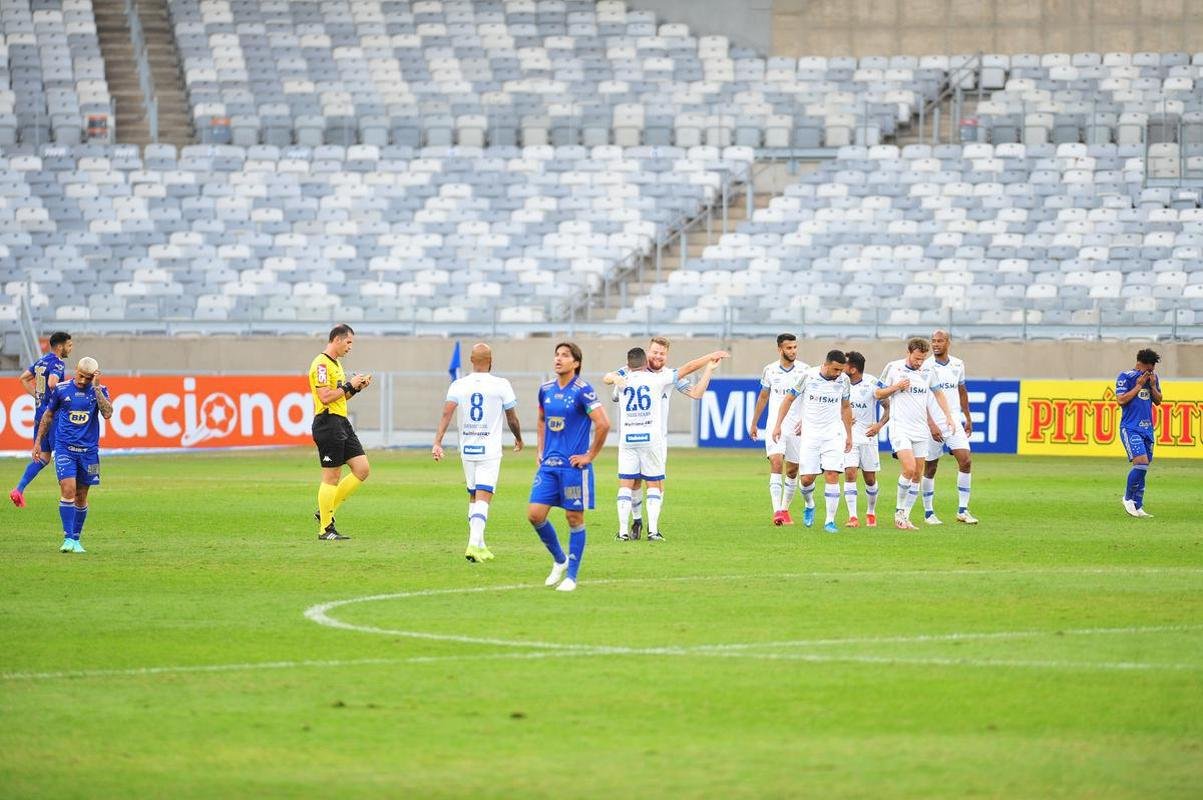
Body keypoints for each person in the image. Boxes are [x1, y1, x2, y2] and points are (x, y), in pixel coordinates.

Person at [609, 336, 726, 539]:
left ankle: (646, 527)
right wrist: (615, 379)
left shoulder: (668, 375)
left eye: (662, 353)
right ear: (647, 353)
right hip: (645, 436)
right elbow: (610, 378)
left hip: (656, 438)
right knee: (636, 482)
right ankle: (638, 521)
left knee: (652, 483)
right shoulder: (632, 370)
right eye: (655, 352)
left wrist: (708, 370)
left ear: (666, 355)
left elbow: (697, 393)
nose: (658, 356)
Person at [527, 342, 610, 592]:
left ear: (576, 363)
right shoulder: (546, 390)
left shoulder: (583, 391)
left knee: (574, 517)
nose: (558, 359)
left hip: (574, 468)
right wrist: (540, 449)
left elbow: (603, 424)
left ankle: (571, 576)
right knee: (535, 514)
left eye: (565, 355)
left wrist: (589, 455)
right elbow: (541, 419)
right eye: (556, 355)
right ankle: (560, 560)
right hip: (549, 466)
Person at [432, 343, 524, 562]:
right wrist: (519, 437)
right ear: (491, 361)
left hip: (467, 449)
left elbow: (446, 414)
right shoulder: (501, 384)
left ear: (471, 361)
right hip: (489, 450)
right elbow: (511, 417)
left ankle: (480, 544)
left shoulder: (458, 384)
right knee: (484, 496)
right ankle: (473, 544)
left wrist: (437, 442)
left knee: (474, 495)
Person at [32, 356, 112, 553]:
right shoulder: (61, 389)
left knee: (81, 495)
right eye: (82, 376)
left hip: (89, 452)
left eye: (88, 378)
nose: (84, 381)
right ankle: (67, 538)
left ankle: (76, 539)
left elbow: (108, 413)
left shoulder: (99, 391)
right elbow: (48, 415)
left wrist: (96, 388)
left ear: (95, 376)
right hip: (65, 448)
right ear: (76, 370)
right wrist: (37, 443)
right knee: (68, 489)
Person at [875, 338, 956, 530]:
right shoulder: (893, 368)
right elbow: (878, 393)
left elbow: (938, 394)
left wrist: (948, 417)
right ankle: (898, 512)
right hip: (900, 427)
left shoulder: (929, 371)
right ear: (908, 352)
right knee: (909, 469)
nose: (919, 362)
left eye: (923, 359)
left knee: (917, 474)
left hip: (920, 429)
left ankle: (905, 516)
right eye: (917, 358)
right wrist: (896, 387)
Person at [772, 350, 853, 533]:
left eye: (841, 370)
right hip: (810, 435)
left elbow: (846, 407)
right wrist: (778, 425)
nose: (838, 373)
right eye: (835, 369)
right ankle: (809, 504)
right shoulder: (807, 377)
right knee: (807, 479)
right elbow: (788, 399)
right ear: (825, 365)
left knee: (832, 474)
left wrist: (849, 435)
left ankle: (829, 522)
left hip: (833, 434)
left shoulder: (844, 381)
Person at [308, 324, 372, 541]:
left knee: (362, 469)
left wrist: (356, 387)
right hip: (328, 423)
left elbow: (340, 396)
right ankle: (325, 529)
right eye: (349, 342)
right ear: (337, 339)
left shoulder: (335, 364)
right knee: (331, 476)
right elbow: (325, 397)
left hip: (341, 422)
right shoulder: (322, 364)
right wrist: (348, 385)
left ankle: (325, 510)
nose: (350, 347)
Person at [749, 333, 811, 526]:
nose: (793, 351)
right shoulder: (769, 370)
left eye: (794, 347)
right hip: (775, 426)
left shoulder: (805, 371)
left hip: (796, 427)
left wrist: (804, 420)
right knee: (776, 462)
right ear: (780, 349)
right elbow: (763, 397)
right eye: (789, 348)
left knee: (792, 470)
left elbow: (810, 399)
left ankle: (785, 508)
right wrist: (754, 423)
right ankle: (777, 511)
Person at [10, 331, 73, 507]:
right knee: (63, 453)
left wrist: (37, 397)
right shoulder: (58, 363)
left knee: (44, 457)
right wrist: (66, 392)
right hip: (53, 416)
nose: (71, 348)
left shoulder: (42, 361)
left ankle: (19, 489)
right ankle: (69, 493)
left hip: (39, 414)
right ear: (60, 347)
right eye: (69, 345)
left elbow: (23, 378)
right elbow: (53, 383)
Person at [922, 330, 978, 525]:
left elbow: (962, 391)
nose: (936, 344)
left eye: (940, 341)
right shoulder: (925, 366)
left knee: (965, 460)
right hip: (932, 423)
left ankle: (963, 510)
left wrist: (968, 417)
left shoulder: (957, 364)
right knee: (930, 466)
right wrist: (930, 423)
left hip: (952, 420)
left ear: (948, 343)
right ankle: (928, 512)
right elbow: (921, 398)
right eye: (933, 341)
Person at [842, 351, 889, 528]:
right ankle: (853, 517)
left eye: (845, 364)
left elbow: (888, 408)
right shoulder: (839, 383)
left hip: (868, 438)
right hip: (849, 439)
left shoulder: (872, 383)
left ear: (853, 369)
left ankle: (871, 511)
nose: (841, 366)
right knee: (850, 473)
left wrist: (879, 425)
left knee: (870, 479)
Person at [1117, 348, 1162, 518]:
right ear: (1140, 364)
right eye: (1149, 368)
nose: (1151, 372)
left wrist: (1151, 386)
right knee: (1141, 462)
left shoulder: (1152, 378)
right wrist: (1138, 386)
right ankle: (1128, 498)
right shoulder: (1125, 377)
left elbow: (1159, 401)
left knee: (1143, 467)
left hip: (1147, 429)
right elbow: (1121, 400)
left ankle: (1138, 505)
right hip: (1130, 427)